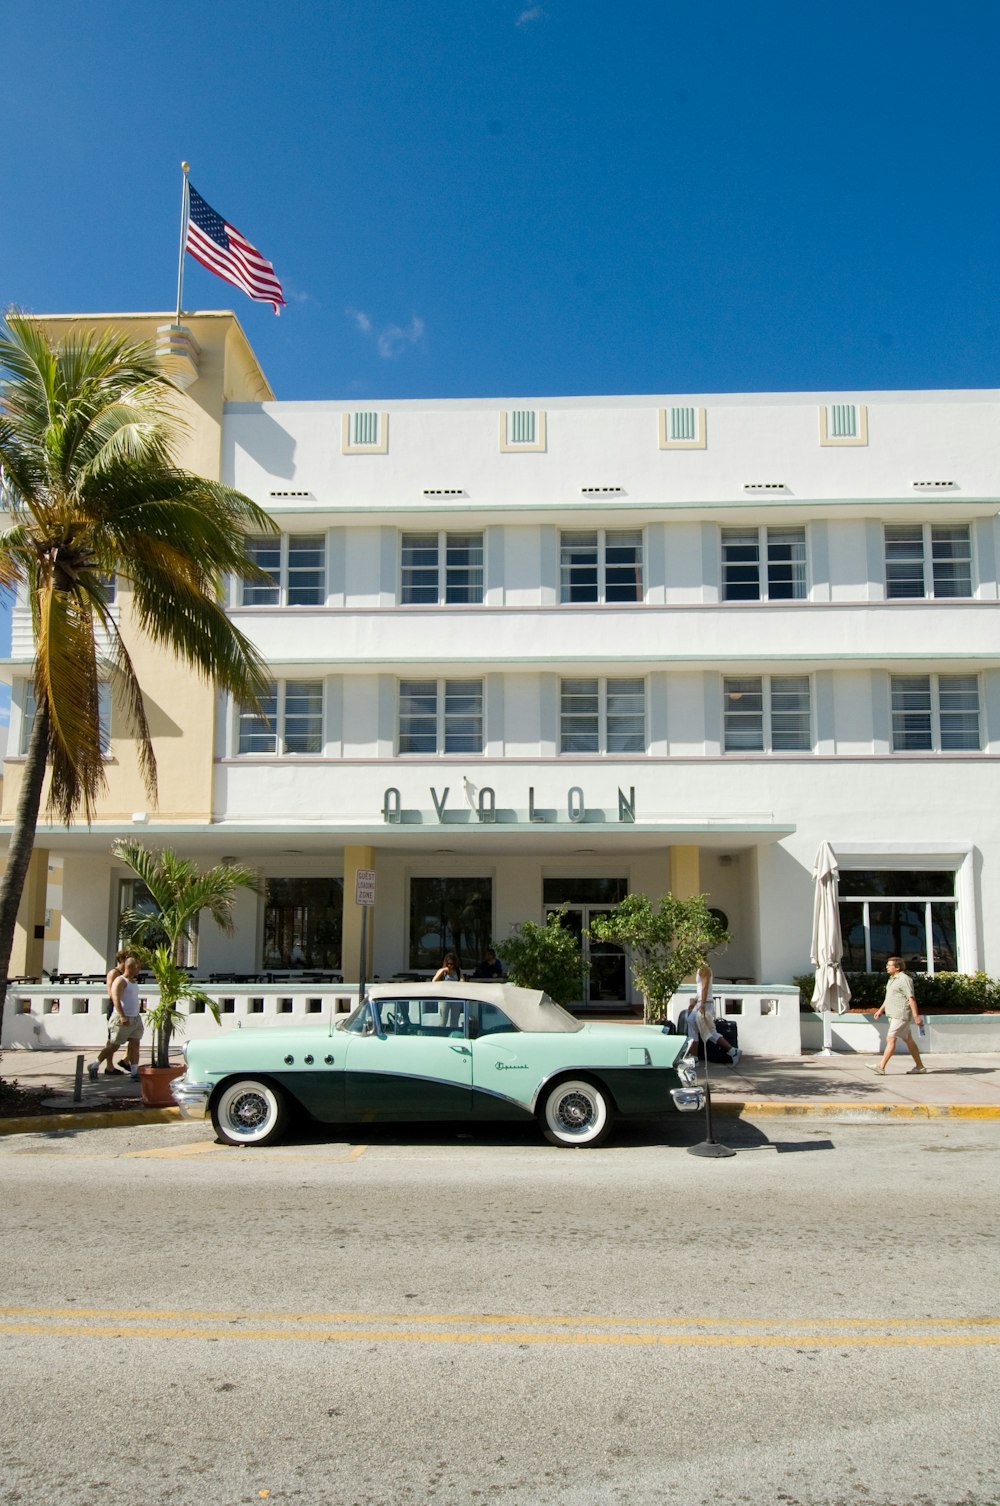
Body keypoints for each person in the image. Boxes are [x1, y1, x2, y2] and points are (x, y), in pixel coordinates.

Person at [88, 955, 145, 1081]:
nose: (138, 970)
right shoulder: (120, 980)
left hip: (135, 1018)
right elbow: (115, 998)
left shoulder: (133, 982)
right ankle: (94, 1065)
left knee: (135, 1044)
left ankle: (134, 1072)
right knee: (114, 1045)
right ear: (130, 967)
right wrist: (122, 1015)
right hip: (122, 1018)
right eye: (137, 967)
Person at [870, 956, 926, 1075]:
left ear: (897, 967)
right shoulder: (892, 979)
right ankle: (920, 1067)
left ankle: (881, 1066)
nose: (887, 967)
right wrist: (880, 1010)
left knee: (891, 1038)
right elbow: (889, 997)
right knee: (908, 1040)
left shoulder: (904, 979)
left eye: (889, 965)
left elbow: (911, 998)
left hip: (901, 1014)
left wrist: (916, 1016)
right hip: (893, 1014)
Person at [681, 962, 741, 1067]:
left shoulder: (704, 969)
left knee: (708, 1031)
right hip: (701, 1002)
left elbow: (705, 988)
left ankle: (695, 1058)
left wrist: (702, 1005)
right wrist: (695, 1001)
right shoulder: (701, 969)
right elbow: (701, 989)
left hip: (705, 1004)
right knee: (695, 1025)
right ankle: (732, 1051)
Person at [433, 951, 463, 1029]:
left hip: (456, 998)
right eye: (448, 964)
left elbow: (462, 981)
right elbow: (434, 981)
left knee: (454, 1020)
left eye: (452, 964)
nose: (450, 966)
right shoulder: (442, 971)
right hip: (444, 998)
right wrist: (443, 971)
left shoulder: (458, 971)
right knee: (443, 1020)